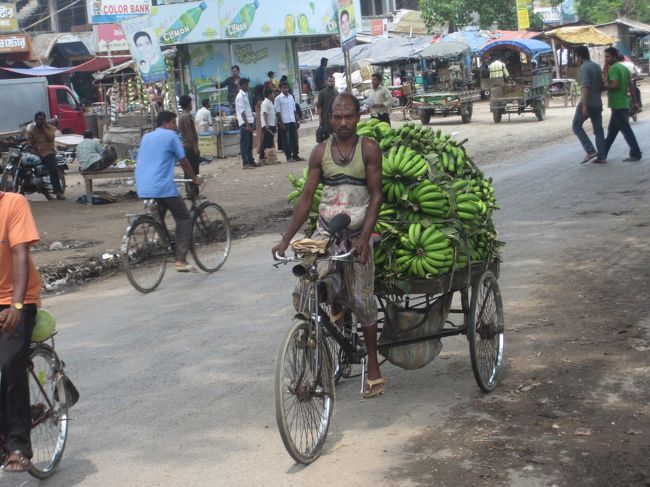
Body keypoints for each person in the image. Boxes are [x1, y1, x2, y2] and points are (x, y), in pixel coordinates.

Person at [271, 93, 385, 398]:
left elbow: (376, 196)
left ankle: (373, 365)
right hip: (325, 230)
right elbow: (307, 198)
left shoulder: (369, 149)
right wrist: (286, 237)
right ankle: (311, 365)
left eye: (349, 116)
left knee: (363, 300)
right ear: (328, 118)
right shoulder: (320, 153)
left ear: (358, 117)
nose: (343, 122)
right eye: (337, 117)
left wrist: (364, 237)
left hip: (358, 230)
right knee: (303, 292)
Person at [0, 191, 43, 472]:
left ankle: (18, 445)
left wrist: (16, 304)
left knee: (8, 364)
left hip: (17, 299)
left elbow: (20, 253)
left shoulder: (13, 203)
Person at [135, 111, 203, 272]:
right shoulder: (171, 137)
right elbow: (184, 161)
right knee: (184, 218)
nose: (175, 127)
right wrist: (194, 178)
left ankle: (166, 243)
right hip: (162, 186)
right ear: (166, 123)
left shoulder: (146, 137)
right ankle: (180, 259)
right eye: (174, 123)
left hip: (143, 186)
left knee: (160, 216)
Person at [602, 47, 642, 163]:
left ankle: (636, 153)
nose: (606, 59)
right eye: (605, 56)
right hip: (622, 103)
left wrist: (603, 86)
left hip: (618, 104)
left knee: (626, 129)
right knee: (612, 131)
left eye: (608, 56)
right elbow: (631, 86)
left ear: (614, 57)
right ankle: (602, 153)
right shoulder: (624, 68)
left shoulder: (614, 69)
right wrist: (634, 102)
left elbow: (614, 85)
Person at [572, 46, 606, 164]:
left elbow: (586, 87)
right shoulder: (596, 66)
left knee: (576, 126)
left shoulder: (585, 67)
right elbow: (602, 86)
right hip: (598, 103)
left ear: (580, 57)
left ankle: (590, 150)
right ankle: (602, 156)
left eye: (576, 57)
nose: (576, 60)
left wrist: (585, 105)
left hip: (588, 102)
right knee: (598, 130)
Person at [27, 112, 64, 200]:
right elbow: (31, 142)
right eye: (37, 119)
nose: (39, 121)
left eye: (41, 119)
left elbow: (50, 138)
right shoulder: (33, 130)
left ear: (44, 120)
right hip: (36, 153)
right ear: (35, 120)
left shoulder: (50, 128)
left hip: (48, 152)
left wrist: (44, 128)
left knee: (53, 170)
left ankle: (58, 192)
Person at [275, 81, 303, 162]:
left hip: (292, 121)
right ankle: (288, 156)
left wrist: (297, 120)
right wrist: (281, 123)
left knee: (295, 139)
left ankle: (295, 155)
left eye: (287, 87)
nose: (286, 89)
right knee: (286, 140)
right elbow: (278, 112)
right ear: (280, 89)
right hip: (285, 122)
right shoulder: (278, 99)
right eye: (284, 88)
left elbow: (294, 110)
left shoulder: (291, 97)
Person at [178, 95, 201, 194]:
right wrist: (195, 146)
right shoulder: (187, 116)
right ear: (188, 104)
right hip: (190, 146)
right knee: (193, 169)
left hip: (185, 145)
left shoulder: (181, 116)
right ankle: (193, 192)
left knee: (188, 170)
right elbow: (189, 132)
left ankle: (190, 191)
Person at [235, 77, 256, 169]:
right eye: (246, 85)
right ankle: (245, 163)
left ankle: (251, 161)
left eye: (248, 84)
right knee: (245, 144)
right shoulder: (240, 96)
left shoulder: (245, 94)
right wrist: (247, 124)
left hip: (249, 121)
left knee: (250, 144)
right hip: (244, 123)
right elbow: (242, 111)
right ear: (241, 85)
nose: (247, 86)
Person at [316, 75, 337, 142]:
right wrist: (320, 118)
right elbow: (319, 107)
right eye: (329, 81)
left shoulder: (337, 92)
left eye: (332, 81)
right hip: (326, 118)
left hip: (335, 117)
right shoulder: (322, 93)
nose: (331, 83)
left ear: (334, 82)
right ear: (326, 82)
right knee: (326, 136)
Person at [259, 87, 276, 165]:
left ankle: (268, 159)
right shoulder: (265, 103)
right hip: (267, 126)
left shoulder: (270, 102)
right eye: (273, 93)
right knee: (265, 143)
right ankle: (261, 158)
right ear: (269, 95)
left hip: (271, 125)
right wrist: (266, 125)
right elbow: (264, 114)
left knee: (269, 143)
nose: (274, 95)